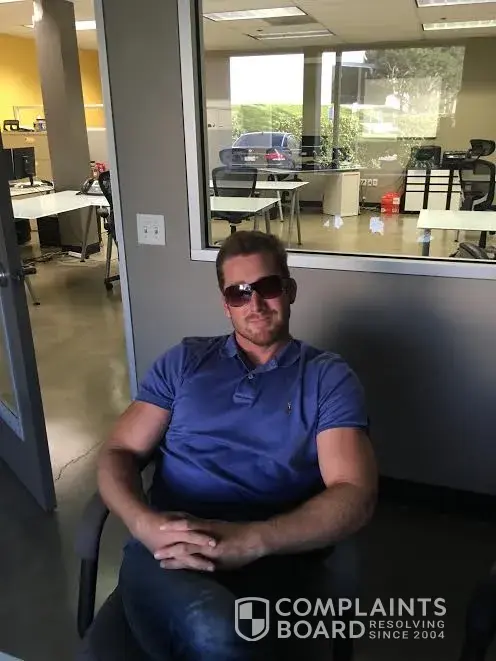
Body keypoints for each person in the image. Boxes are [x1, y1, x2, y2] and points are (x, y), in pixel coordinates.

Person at [97, 230, 378, 661]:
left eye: (268, 287)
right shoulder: (185, 361)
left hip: (272, 553)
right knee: (213, 626)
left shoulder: (326, 378)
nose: (255, 303)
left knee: (220, 630)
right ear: (225, 303)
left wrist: (251, 540)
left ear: (290, 290)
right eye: (239, 292)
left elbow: (355, 491)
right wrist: (142, 523)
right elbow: (118, 451)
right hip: (172, 544)